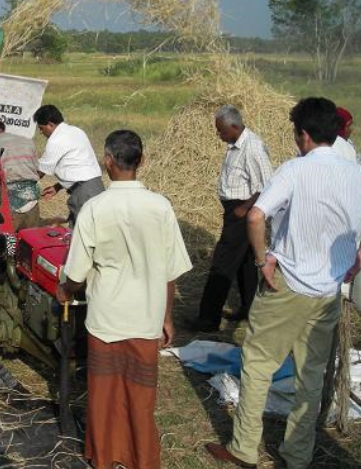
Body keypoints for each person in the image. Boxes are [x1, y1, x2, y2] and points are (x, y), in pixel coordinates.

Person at [205, 97, 361, 469]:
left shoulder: (296, 170)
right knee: (311, 376)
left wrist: (262, 260)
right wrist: (359, 256)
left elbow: (257, 215)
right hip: (327, 291)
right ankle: (297, 453)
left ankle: (244, 447)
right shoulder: (358, 174)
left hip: (286, 285)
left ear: (304, 136)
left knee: (259, 364)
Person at [58, 130, 192, 469]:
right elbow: (170, 273)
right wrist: (167, 317)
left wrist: (65, 290)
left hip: (105, 321)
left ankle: (104, 457)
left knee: (104, 398)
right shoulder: (161, 207)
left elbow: (76, 274)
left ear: (107, 162)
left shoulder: (93, 209)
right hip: (145, 320)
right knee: (140, 397)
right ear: (141, 161)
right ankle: (142, 459)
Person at [192, 105, 273, 332]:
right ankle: (249, 309)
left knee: (222, 264)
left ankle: (208, 319)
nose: (219, 135)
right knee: (245, 264)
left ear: (235, 126)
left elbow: (267, 185)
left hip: (243, 212)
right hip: (235, 210)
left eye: (222, 131)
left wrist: (244, 208)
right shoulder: (235, 144)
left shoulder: (253, 147)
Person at [33, 104, 103, 227]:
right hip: (95, 186)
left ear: (50, 124)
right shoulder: (76, 131)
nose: (41, 132)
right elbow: (77, 166)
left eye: (41, 128)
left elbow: (41, 170)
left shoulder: (55, 140)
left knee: (82, 234)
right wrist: (58, 187)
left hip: (84, 193)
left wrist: (22, 186)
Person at [0, 113, 41, 231]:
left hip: (9, 206)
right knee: (30, 241)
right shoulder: (27, 142)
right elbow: (37, 170)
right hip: (33, 202)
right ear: (2, 127)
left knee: (8, 245)